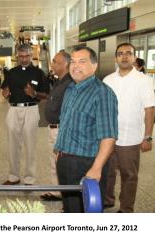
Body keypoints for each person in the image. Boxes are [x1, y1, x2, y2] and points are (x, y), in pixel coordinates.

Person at [54, 46, 118, 213]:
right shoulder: (71, 89)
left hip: (86, 164)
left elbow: (109, 136)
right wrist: (60, 155)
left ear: (94, 66)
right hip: (66, 161)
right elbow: (66, 124)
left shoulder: (102, 93)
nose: (75, 66)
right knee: (70, 208)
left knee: (85, 212)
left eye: (82, 62)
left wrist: (96, 168)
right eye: (73, 62)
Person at [103, 43, 155, 213]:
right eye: (120, 53)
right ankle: (107, 200)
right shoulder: (108, 80)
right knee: (107, 172)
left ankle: (126, 209)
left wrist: (148, 137)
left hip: (130, 138)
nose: (124, 56)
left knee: (129, 176)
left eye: (128, 53)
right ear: (116, 57)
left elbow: (150, 109)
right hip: (108, 136)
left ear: (134, 57)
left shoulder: (144, 80)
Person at [1, 44, 46, 185]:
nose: (24, 59)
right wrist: (5, 94)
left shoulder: (39, 73)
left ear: (31, 56)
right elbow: (5, 91)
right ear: (17, 57)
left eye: (26, 56)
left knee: (30, 145)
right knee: (13, 145)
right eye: (21, 56)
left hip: (31, 109)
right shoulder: (12, 72)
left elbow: (46, 94)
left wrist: (34, 93)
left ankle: (30, 178)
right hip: (13, 110)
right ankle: (13, 176)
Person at [40, 50, 73, 201]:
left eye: (55, 61)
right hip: (53, 128)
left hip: (61, 130)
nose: (52, 64)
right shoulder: (59, 80)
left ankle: (65, 197)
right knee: (54, 162)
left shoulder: (70, 83)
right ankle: (56, 191)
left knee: (62, 164)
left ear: (66, 64)